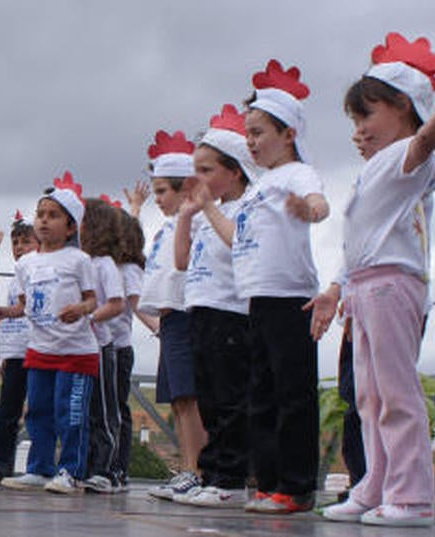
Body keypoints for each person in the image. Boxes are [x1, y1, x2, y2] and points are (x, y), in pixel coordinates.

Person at [315, 34, 435, 527]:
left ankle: (411, 496)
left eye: (366, 116)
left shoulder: (411, 160)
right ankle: (375, 485)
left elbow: (427, 141)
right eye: (354, 121)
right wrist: (336, 289)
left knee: (396, 394)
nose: (358, 130)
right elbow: (355, 244)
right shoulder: (374, 170)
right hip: (365, 288)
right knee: (369, 396)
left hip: (393, 285)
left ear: (404, 109)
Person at [234, 59, 329, 514]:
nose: (251, 142)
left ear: (288, 134)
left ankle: (296, 485)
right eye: (248, 134)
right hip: (258, 298)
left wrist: (309, 210)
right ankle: (269, 482)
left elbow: (318, 202)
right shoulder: (258, 184)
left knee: (293, 394)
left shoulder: (295, 174)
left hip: (291, 297)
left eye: (259, 133)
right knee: (262, 394)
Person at [170, 104, 261, 508]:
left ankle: (232, 476)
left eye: (207, 171)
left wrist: (207, 207)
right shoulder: (211, 212)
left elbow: (240, 244)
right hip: (200, 308)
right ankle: (211, 471)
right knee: (207, 397)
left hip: (231, 312)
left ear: (235, 170)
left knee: (229, 398)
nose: (199, 179)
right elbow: (182, 261)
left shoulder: (247, 207)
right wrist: (188, 216)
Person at [0, 173, 99, 495]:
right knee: (37, 411)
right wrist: (4, 311)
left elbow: (93, 300)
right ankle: (39, 468)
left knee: (71, 414)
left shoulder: (79, 260)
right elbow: (24, 305)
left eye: (53, 216)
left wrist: (79, 309)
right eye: (41, 214)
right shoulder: (26, 264)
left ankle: (71, 471)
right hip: (39, 350)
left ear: (70, 227)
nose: (44, 221)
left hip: (76, 352)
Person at [137, 130, 208, 502]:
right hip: (169, 318)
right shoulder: (166, 227)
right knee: (178, 400)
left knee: (189, 396)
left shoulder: (193, 220)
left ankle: (197, 470)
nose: (158, 198)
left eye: (163, 190)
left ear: (185, 188)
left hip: (186, 312)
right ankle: (187, 467)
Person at [0, 210, 38, 481]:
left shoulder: (36, 271)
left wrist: (5, 311)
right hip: (15, 352)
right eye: (15, 243)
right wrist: (4, 355)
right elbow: (13, 316)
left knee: (38, 410)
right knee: (8, 410)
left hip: (35, 349)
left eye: (26, 242)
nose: (19, 248)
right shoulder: (15, 276)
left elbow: (23, 308)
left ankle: (38, 465)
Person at [80, 196, 126, 493]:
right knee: (81, 409)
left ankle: (106, 468)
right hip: (78, 347)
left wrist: (89, 317)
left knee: (104, 408)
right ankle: (82, 464)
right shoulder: (80, 262)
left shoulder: (104, 264)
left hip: (99, 345)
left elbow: (117, 303)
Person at [102, 205, 147, 492]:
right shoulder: (104, 265)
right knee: (103, 408)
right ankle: (102, 464)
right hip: (101, 346)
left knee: (116, 408)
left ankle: (118, 467)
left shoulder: (128, 270)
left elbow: (136, 303)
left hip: (118, 348)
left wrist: (157, 327)